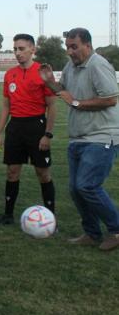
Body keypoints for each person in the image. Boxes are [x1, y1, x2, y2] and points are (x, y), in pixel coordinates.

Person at [40, 28, 119, 251]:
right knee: (76, 189)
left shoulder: (98, 64)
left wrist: (76, 103)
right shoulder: (70, 66)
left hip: (101, 136)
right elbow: (63, 91)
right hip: (78, 138)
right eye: (68, 47)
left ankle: (116, 230)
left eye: (74, 46)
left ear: (88, 45)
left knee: (88, 185)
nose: (70, 51)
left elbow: (111, 99)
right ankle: (92, 233)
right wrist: (49, 81)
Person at [0, 34, 57, 227]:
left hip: (36, 126)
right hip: (15, 127)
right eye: (15, 49)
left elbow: (52, 106)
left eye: (21, 49)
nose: (17, 53)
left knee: (43, 173)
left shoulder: (42, 73)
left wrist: (47, 134)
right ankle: (8, 216)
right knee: (12, 172)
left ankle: (51, 218)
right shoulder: (10, 74)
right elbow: (6, 106)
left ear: (32, 50)